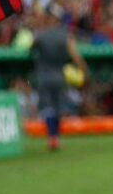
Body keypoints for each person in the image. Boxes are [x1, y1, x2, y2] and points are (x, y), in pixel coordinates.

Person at [31, 8, 88, 151]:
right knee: (58, 108)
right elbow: (75, 56)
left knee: (47, 107)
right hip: (59, 75)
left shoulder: (40, 35)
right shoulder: (65, 36)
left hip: (43, 76)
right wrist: (84, 70)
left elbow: (30, 48)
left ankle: (52, 137)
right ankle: (55, 137)